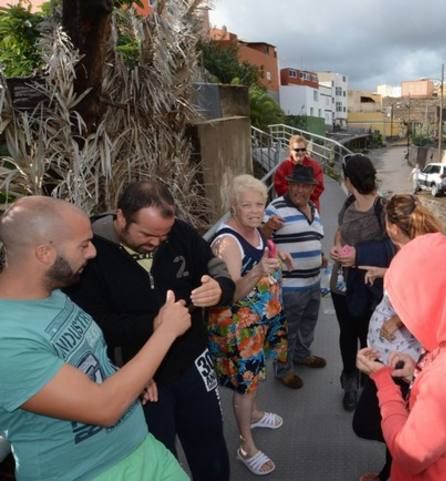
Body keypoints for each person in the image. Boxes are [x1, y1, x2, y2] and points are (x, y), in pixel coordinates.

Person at [0, 196, 191, 481]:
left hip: (141, 450)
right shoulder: (7, 337)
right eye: (83, 244)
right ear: (44, 253)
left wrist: (128, 377)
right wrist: (165, 332)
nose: (92, 253)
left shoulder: (53, 294)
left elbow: (83, 362)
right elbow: (104, 408)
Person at [65, 181, 233, 481]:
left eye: (163, 236)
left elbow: (215, 266)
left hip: (192, 361)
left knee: (209, 443)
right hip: (137, 377)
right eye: (146, 235)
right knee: (156, 453)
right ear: (120, 217)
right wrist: (154, 326)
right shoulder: (89, 254)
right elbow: (91, 326)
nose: (156, 243)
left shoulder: (179, 232)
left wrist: (219, 288)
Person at [356, 232, 446, 481]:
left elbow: (407, 455)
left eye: (406, 303)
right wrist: (417, 370)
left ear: (427, 302)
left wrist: (382, 380)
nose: (402, 313)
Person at [353, 194, 442, 481]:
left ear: (391, 227)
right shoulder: (415, 249)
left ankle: (395, 470)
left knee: (381, 422)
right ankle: (387, 473)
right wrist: (385, 272)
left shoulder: (420, 254)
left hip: (402, 362)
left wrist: (396, 319)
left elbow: (433, 296)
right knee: (386, 421)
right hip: (392, 354)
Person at [207, 175, 290, 476]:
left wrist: (278, 253)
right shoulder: (227, 242)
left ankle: (253, 414)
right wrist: (257, 271)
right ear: (233, 206)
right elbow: (231, 293)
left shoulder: (254, 229)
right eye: (247, 205)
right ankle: (246, 446)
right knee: (245, 386)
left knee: (254, 380)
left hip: (259, 323)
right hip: (239, 330)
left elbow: (259, 247)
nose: (256, 211)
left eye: (260, 204)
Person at [330, 154, 395, 411]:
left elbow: (395, 246)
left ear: (348, 180)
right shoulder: (348, 204)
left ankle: (370, 387)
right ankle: (349, 384)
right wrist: (337, 246)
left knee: (369, 340)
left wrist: (358, 255)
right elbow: (340, 230)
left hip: (371, 287)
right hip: (343, 284)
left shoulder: (384, 208)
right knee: (347, 334)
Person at [262, 165, 327, 390]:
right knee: (287, 329)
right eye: (295, 185)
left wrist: (319, 256)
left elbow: (313, 237)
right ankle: (283, 370)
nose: (300, 190)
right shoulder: (275, 207)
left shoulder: (313, 208)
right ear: (288, 185)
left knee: (309, 322)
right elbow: (259, 239)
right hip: (290, 286)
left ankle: (302, 355)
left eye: (305, 186)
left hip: (314, 281)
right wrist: (268, 227)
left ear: (311, 188)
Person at [272, 134, 324, 212]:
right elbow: (279, 186)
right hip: (288, 207)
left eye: (303, 149)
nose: (300, 152)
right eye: (297, 150)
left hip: (309, 207)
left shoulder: (314, 166)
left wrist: (301, 198)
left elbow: (319, 187)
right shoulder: (284, 166)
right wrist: (296, 198)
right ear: (291, 150)